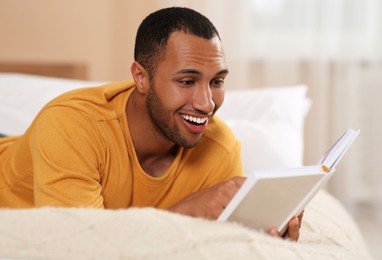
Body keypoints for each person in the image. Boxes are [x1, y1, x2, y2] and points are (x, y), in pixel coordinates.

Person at [0, 7, 302, 240]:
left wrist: (266, 235)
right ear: (141, 77)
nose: (207, 103)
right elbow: (77, 246)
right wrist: (185, 212)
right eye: (187, 80)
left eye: (217, 81)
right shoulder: (71, 125)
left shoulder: (219, 148)